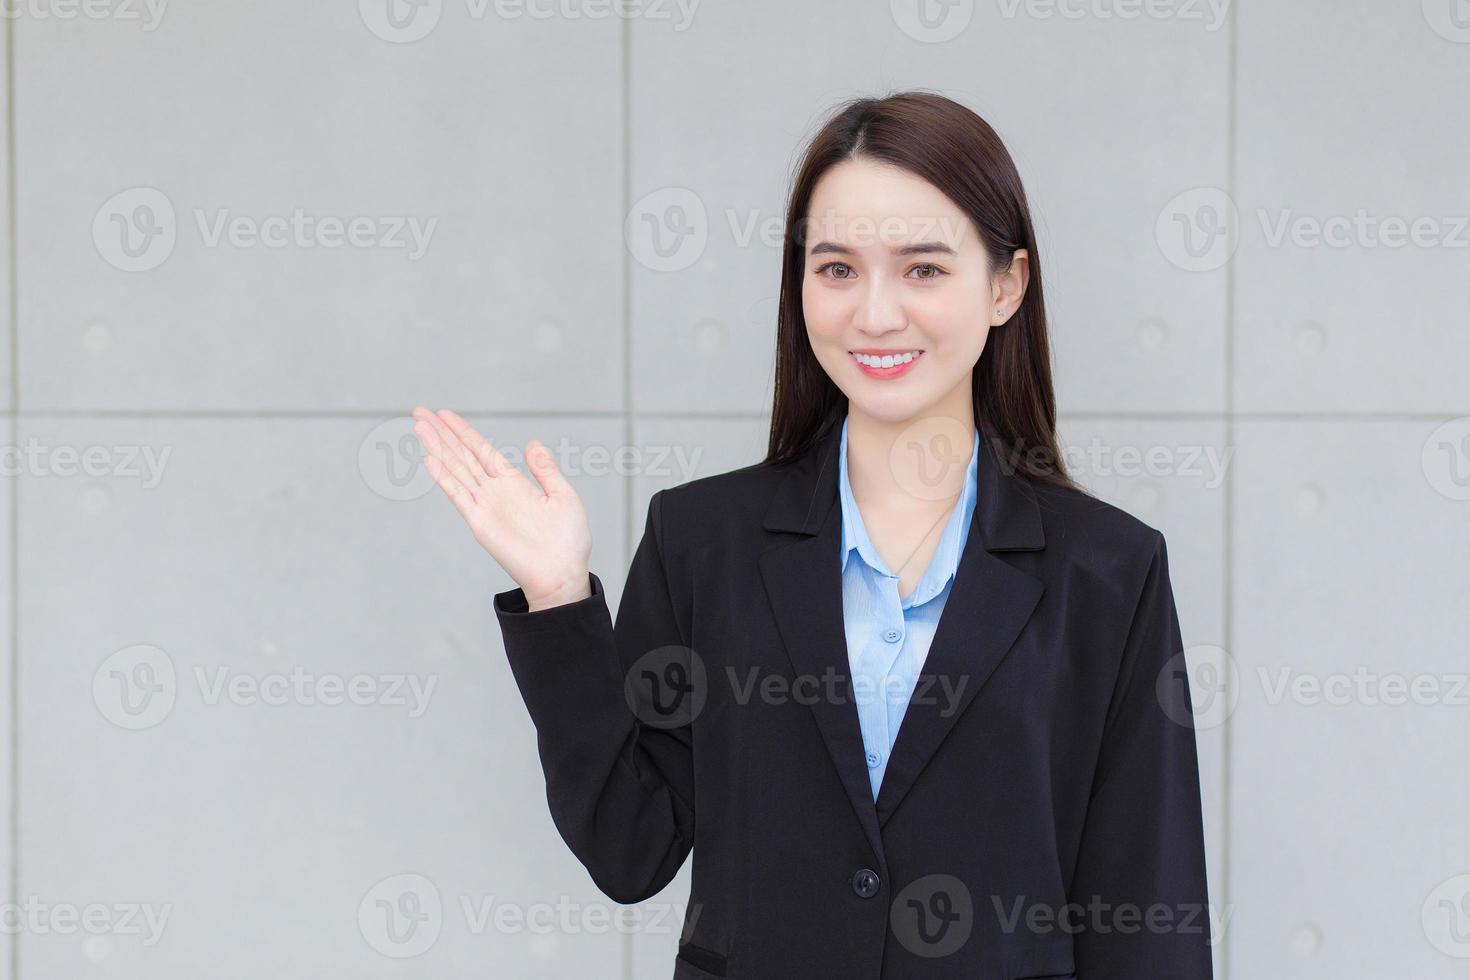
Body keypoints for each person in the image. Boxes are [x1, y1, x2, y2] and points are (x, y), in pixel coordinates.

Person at [412, 90, 1213, 979]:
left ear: (1005, 286)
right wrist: (557, 598)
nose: (874, 315)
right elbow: (629, 849)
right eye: (837, 269)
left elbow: (1148, 917)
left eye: (923, 269)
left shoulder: (1108, 570)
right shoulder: (701, 542)